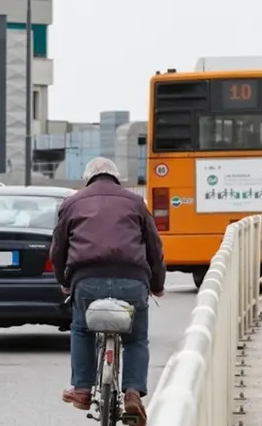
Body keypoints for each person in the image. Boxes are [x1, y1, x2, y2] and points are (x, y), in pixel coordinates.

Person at [50, 157, 166, 425]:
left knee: (81, 329)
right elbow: (154, 248)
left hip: (87, 280)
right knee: (136, 339)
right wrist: (158, 284)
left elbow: (57, 250)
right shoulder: (135, 202)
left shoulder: (72, 202)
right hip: (132, 281)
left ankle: (81, 389)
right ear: (116, 177)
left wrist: (64, 281)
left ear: (88, 178)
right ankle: (133, 392)